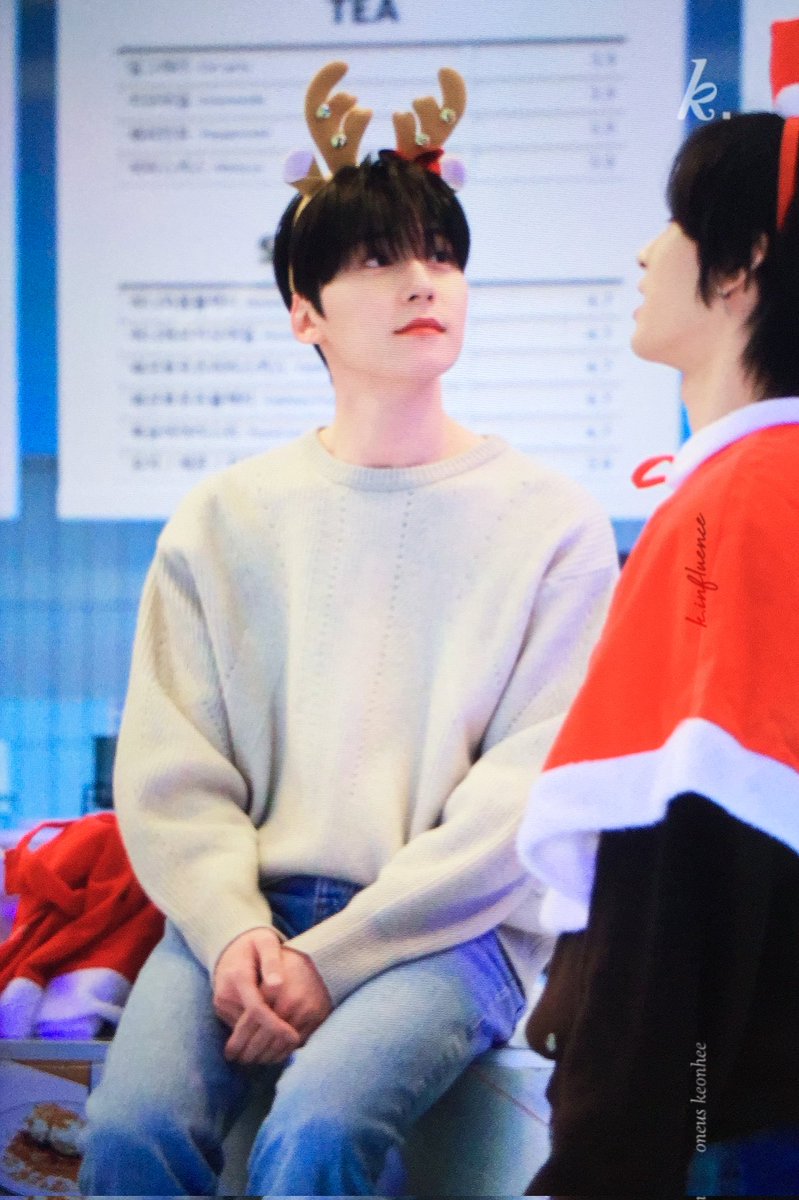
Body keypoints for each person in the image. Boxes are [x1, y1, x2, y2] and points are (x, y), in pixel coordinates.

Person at [78, 62, 618, 1196]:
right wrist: (236, 932)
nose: (423, 281)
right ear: (304, 311)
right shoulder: (224, 518)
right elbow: (172, 774)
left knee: (318, 1131)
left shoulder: (552, 522)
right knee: (129, 1134)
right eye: (378, 259)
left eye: (442, 254)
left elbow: (523, 794)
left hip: (453, 932)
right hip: (242, 919)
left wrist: (331, 959)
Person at [517, 100, 799, 1198]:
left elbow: (680, 870)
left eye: (677, 222)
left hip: (725, 1130)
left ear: (742, 264)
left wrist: (601, 1155)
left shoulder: (738, 504)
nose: (646, 252)